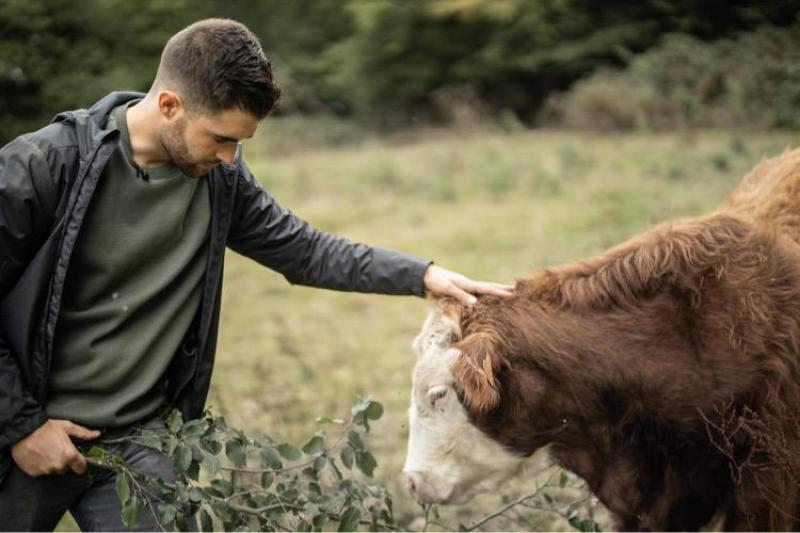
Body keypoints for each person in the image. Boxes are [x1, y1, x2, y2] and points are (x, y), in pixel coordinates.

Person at [0, 18, 512, 531]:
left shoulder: (220, 177)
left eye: (239, 145)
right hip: (28, 433)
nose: (229, 159)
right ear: (169, 105)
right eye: (220, 139)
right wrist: (21, 427)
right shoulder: (44, 165)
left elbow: (304, 251)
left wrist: (422, 275)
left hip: (142, 439)